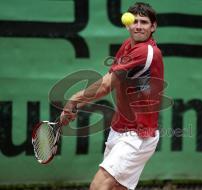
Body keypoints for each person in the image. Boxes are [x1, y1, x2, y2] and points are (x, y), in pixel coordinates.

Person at [60, 2, 164, 190]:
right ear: (127, 24)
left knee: (99, 186)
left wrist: (74, 99)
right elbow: (110, 80)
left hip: (138, 135)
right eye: (134, 21)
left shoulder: (145, 51)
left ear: (153, 27)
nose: (138, 26)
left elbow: (106, 86)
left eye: (144, 22)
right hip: (119, 129)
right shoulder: (127, 46)